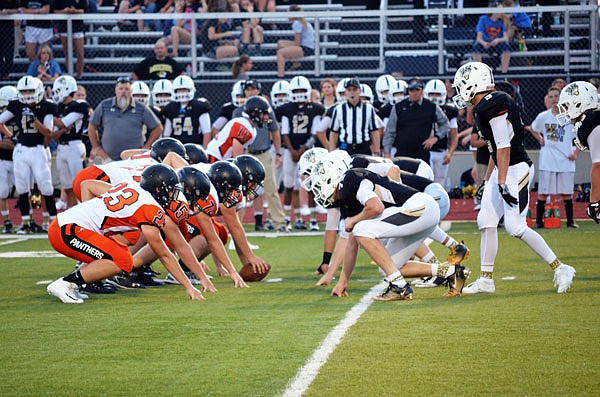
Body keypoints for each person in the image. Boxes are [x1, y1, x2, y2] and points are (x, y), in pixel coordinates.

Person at [452, 61, 575, 294]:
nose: (460, 92)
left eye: (462, 85)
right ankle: (486, 279)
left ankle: (561, 268)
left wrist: (501, 182)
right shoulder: (483, 106)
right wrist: (489, 180)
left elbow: (504, 146)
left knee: (514, 226)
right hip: (504, 168)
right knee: (486, 220)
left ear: (474, 83)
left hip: (516, 168)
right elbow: (493, 149)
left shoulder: (492, 103)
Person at [309, 154, 470, 300]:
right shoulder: (347, 199)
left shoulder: (350, 178)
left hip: (422, 206)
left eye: (318, 186)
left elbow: (376, 207)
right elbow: (352, 242)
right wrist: (343, 281)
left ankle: (399, 287)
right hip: (421, 211)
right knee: (390, 266)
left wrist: (354, 220)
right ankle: (452, 272)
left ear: (329, 177)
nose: (317, 192)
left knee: (361, 229)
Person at [45, 164, 214, 303]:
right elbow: (164, 254)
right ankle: (66, 283)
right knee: (123, 260)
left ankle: (73, 284)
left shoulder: (131, 186)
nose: (173, 195)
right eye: (170, 190)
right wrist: (189, 287)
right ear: (158, 189)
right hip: (68, 231)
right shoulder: (149, 209)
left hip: (66, 226)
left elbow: (91, 187)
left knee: (125, 243)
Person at [0, 76, 57, 234]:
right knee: (22, 188)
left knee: (45, 187)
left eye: (30, 91)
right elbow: (0, 122)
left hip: (38, 149)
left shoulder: (47, 106)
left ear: (38, 90)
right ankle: (25, 223)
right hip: (21, 150)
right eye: (24, 91)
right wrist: (11, 136)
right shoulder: (16, 105)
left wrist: (35, 121)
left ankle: (52, 221)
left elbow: (48, 131)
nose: (27, 94)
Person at [232, 80, 286, 232]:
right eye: (247, 89)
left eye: (253, 89)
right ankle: (237, 225)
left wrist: (278, 152)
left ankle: (279, 222)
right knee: (242, 190)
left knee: (270, 188)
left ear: (259, 91)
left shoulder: (266, 112)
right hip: (245, 154)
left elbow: (274, 130)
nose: (250, 92)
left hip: (263, 152)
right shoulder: (238, 112)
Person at [528, 86, 579, 228]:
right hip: (548, 160)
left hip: (565, 160)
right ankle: (539, 221)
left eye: (556, 96)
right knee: (543, 192)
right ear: (547, 99)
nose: (554, 99)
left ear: (561, 98)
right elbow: (533, 128)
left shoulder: (570, 118)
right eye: (551, 97)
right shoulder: (543, 116)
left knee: (567, 193)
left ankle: (570, 221)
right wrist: (539, 138)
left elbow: (580, 137)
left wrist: (575, 153)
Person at [279, 75, 324, 231]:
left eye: (301, 90)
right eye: (296, 90)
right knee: (289, 185)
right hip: (289, 150)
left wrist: (302, 149)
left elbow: (315, 133)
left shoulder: (316, 108)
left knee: (311, 185)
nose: (299, 93)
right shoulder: (286, 109)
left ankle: (312, 220)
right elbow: (284, 132)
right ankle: (288, 219)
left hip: (308, 151)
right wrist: (292, 150)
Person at [88, 77, 163, 162]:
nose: (123, 92)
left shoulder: (141, 107)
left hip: (133, 159)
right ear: (116, 91)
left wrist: (146, 148)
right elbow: (92, 126)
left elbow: (158, 128)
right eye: (121, 88)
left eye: (126, 89)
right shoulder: (104, 105)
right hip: (107, 158)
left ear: (131, 91)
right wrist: (96, 147)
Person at [557, 81, 600, 224]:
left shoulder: (593, 122)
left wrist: (594, 201)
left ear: (579, 103)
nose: (565, 111)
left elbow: (598, 165)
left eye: (567, 105)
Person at [383, 78, 449, 163]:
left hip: (422, 153)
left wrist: (436, 138)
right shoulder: (398, 107)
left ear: (422, 91)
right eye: (411, 90)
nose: (414, 93)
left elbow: (445, 124)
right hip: (402, 153)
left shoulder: (431, 107)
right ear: (408, 91)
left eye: (417, 90)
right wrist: (387, 152)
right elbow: (390, 131)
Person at [51, 75, 90, 209]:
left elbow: (62, 123)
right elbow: (55, 130)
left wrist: (52, 118)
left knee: (79, 184)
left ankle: (86, 214)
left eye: (57, 91)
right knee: (67, 187)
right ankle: (72, 214)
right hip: (62, 148)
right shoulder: (59, 106)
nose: (55, 94)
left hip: (75, 147)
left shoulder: (80, 105)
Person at [328, 78, 381, 156]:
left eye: (354, 89)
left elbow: (374, 131)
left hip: (363, 146)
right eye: (349, 90)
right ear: (346, 92)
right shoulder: (339, 109)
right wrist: (331, 151)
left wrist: (376, 151)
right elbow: (334, 132)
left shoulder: (369, 108)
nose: (352, 92)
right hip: (345, 147)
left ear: (359, 91)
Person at [207, 95, 269, 162]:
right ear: (253, 113)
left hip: (219, 159)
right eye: (264, 114)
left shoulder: (251, 128)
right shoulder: (244, 125)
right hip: (214, 158)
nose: (266, 118)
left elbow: (243, 152)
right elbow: (237, 156)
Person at [424, 79, 459, 189]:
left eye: (437, 94)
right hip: (425, 151)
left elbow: (454, 135)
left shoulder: (450, 110)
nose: (434, 96)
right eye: (432, 94)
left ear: (443, 94)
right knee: (426, 182)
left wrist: (450, 153)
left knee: (440, 185)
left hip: (441, 152)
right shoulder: (421, 109)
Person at [163, 75, 212, 147]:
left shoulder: (199, 106)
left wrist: (205, 152)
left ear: (191, 90)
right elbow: (166, 135)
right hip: (176, 147)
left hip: (196, 146)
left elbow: (207, 133)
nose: (182, 92)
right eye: (179, 90)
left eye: (185, 89)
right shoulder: (171, 108)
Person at [276, 4, 315, 78]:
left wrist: (287, 48)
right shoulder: (301, 22)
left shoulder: (297, 23)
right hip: (304, 46)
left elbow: (297, 43)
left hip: (305, 48)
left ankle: (280, 75)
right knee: (280, 43)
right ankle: (296, 63)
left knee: (280, 52)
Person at [472, 4, 511, 74]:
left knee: (506, 46)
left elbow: (506, 38)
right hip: (485, 43)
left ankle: (504, 73)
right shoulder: (483, 19)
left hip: (497, 44)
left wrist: (498, 40)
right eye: (499, 10)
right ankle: (480, 73)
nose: (501, 12)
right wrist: (484, 43)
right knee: (476, 46)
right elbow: (478, 38)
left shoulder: (502, 21)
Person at [53, 0, 87, 79]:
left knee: (80, 53)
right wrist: (64, 11)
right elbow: (54, 10)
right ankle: (70, 76)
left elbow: (83, 10)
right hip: (64, 27)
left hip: (78, 27)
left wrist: (74, 11)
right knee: (67, 53)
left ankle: (79, 76)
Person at [0, 85, 18, 234]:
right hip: (3, 160)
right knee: (2, 191)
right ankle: (6, 222)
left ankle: (29, 220)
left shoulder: (19, 116)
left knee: (27, 190)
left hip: (19, 159)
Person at [0, 0, 20, 79]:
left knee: (9, 52)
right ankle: (2, 72)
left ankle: (6, 73)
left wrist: (8, 11)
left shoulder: (13, 2)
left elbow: (19, 9)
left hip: (8, 28)